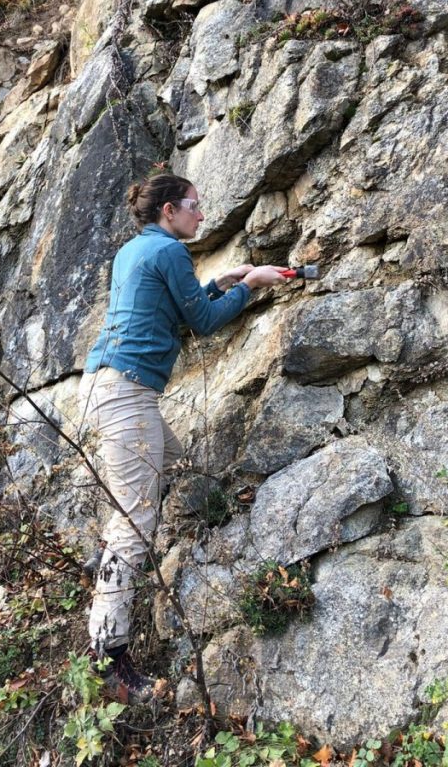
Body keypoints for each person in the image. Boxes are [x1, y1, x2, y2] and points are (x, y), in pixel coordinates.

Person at [78, 172, 287, 703]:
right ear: (169, 210)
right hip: (126, 394)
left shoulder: (135, 250)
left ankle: (110, 565)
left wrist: (224, 280)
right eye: (195, 205)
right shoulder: (170, 251)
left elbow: (178, 307)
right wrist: (250, 286)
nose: (202, 215)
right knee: (136, 521)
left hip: (107, 386)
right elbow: (204, 321)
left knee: (177, 465)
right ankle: (107, 657)